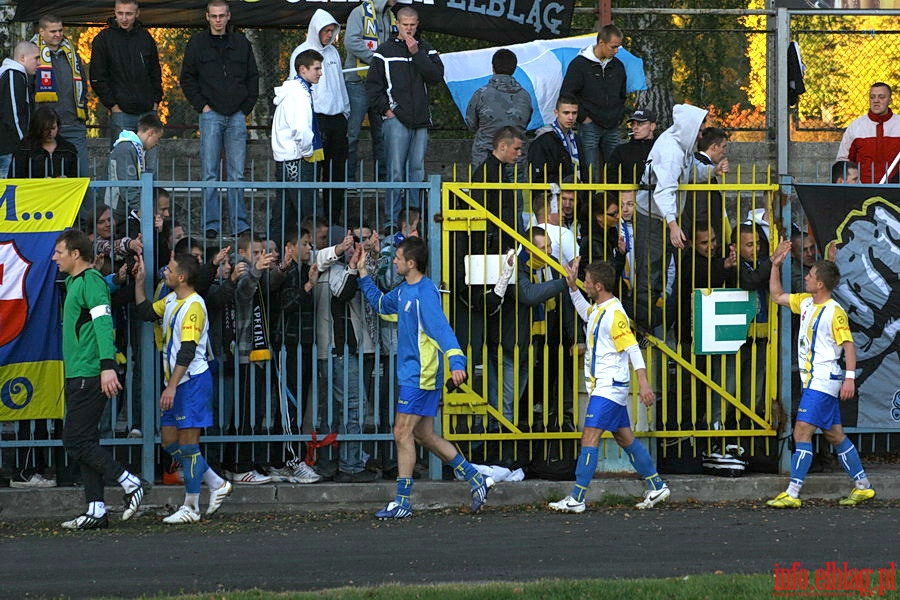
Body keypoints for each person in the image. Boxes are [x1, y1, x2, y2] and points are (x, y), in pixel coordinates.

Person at [356, 236, 494, 518]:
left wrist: (457, 361)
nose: (393, 260)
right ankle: (477, 479)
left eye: (397, 257)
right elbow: (381, 305)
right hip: (414, 374)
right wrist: (362, 274)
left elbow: (442, 329)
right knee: (425, 435)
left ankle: (403, 503)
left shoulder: (425, 293)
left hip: (421, 375)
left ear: (411, 263)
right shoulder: (405, 290)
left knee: (401, 432)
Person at [549, 259, 669, 513]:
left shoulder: (615, 314)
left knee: (589, 438)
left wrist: (644, 383)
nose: (586, 286)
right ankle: (657, 485)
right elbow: (585, 313)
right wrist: (572, 288)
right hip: (606, 386)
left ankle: (577, 498)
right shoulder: (599, 308)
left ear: (600, 286)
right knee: (625, 438)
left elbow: (633, 348)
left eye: (588, 283)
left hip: (608, 387)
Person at [766, 243, 875, 508]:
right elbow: (777, 295)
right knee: (834, 434)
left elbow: (848, 345)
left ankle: (792, 493)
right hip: (814, 380)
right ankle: (863, 486)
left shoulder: (834, 312)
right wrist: (775, 265)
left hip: (824, 380)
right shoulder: (805, 301)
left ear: (821, 284)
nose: (805, 277)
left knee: (801, 432)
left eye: (811, 275)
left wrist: (849, 378)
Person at [52, 229, 145, 530]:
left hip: (91, 373)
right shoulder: (78, 281)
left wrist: (108, 366)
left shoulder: (89, 281)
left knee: (75, 440)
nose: (55, 257)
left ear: (75, 254)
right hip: (79, 372)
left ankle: (130, 482)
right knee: (86, 441)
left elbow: (104, 323)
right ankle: (96, 508)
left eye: (59, 252)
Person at [133, 252, 233, 522]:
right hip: (176, 383)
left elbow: (188, 351)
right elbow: (144, 312)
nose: (164, 270)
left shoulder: (194, 306)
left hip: (191, 382)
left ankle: (191, 507)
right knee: (169, 441)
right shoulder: (170, 300)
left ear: (181, 277)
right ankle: (215, 482)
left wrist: (172, 387)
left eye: (170, 268)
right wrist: (139, 283)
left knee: (189, 447)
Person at [180, 0, 259, 239]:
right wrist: (202, 106)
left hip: (236, 114)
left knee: (237, 173)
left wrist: (245, 108)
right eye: (213, 16)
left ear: (228, 16)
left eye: (221, 16)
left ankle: (240, 225)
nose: (217, 20)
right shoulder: (197, 44)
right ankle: (210, 225)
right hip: (210, 113)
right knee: (210, 172)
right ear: (206, 17)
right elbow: (187, 78)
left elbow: (253, 77)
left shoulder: (241, 43)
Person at [633, 103, 712, 330]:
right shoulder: (671, 151)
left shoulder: (681, 144)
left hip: (662, 216)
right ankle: (644, 328)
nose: (700, 135)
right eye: (698, 130)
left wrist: (712, 171)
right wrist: (673, 224)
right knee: (650, 274)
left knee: (661, 275)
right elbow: (664, 190)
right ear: (690, 128)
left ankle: (654, 324)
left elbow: (691, 170)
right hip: (653, 217)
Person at [366, 6, 444, 225]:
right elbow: (372, 87)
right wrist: (386, 110)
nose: (409, 29)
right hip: (396, 119)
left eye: (412, 25)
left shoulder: (426, 49)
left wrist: (416, 53)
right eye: (405, 25)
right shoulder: (384, 51)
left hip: (420, 120)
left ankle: (414, 220)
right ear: (397, 24)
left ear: (417, 24)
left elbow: (436, 77)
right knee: (395, 171)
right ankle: (392, 221)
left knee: (417, 170)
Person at [289, 9, 350, 220]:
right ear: (316, 30)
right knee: (312, 173)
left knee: (336, 174)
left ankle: (333, 219)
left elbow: (340, 85)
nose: (329, 35)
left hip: (336, 119)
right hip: (315, 120)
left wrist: (345, 112)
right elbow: (295, 88)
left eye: (332, 31)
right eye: (325, 31)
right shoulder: (301, 52)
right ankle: (311, 221)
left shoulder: (333, 53)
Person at [89, 0, 162, 149]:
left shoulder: (146, 38)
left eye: (128, 14)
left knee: (149, 162)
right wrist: (113, 105)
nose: (124, 18)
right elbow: (97, 77)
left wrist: (155, 101)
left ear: (137, 13)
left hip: (148, 110)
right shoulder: (103, 39)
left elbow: (155, 72)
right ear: (114, 12)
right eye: (120, 13)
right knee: (122, 159)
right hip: (121, 111)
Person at [560, 24, 626, 181]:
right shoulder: (579, 65)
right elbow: (567, 94)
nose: (616, 51)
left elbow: (622, 94)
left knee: (615, 170)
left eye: (618, 47)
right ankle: (591, 203)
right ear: (601, 43)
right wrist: (584, 118)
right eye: (613, 47)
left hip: (613, 125)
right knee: (590, 170)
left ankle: (613, 203)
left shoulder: (618, 66)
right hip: (590, 124)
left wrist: (619, 116)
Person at [271, 49, 325, 242]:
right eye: (316, 68)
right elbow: (301, 128)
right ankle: (314, 248)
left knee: (284, 211)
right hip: (297, 160)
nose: (320, 73)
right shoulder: (300, 94)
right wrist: (308, 151)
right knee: (309, 210)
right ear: (303, 69)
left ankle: (277, 249)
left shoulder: (293, 91)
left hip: (286, 159)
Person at [30, 14, 89, 177]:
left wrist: (83, 116)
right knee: (45, 177)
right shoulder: (32, 53)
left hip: (73, 123)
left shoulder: (71, 53)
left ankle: (85, 204)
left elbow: (82, 85)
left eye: (60, 30)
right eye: (53, 31)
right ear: (41, 32)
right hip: (44, 128)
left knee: (82, 177)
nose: (58, 34)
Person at [343, 0, 395, 181]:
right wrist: (377, 61)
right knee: (352, 135)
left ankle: (382, 181)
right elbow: (350, 41)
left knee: (382, 135)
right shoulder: (359, 13)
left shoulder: (390, 16)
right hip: (357, 83)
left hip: (380, 85)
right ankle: (347, 182)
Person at [466, 48, 533, 169]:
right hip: (516, 157)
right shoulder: (525, 96)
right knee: (514, 187)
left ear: (493, 68)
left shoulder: (481, 94)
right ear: (514, 68)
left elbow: (471, 123)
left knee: (483, 187)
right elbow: (526, 122)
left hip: (484, 156)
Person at [470, 125, 525, 253]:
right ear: (503, 146)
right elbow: (481, 209)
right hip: (491, 243)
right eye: (516, 149)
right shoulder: (487, 172)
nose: (519, 153)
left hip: (500, 240)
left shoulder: (497, 170)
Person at [836, 82, 900, 183]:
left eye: (881, 97)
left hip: (895, 189)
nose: (876, 101)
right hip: (862, 189)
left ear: (890, 100)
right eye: (872, 97)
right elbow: (843, 161)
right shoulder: (856, 126)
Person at [105, 112, 163, 223]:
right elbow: (128, 185)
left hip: (123, 209)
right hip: (117, 211)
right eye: (157, 138)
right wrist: (142, 209)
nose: (156, 143)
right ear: (150, 133)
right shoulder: (127, 149)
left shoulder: (134, 148)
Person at [0, 41, 40, 175]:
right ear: (22, 58)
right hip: (7, 148)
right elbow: (13, 112)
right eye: (36, 58)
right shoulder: (13, 75)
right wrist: (23, 143)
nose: (39, 63)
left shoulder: (18, 76)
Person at [682, 126, 729, 240]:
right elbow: (700, 207)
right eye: (723, 147)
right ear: (714, 147)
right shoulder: (701, 169)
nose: (724, 152)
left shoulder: (701, 165)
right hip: (702, 237)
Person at [528, 94, 586, 185]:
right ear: (556, 113)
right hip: (552, 195)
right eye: (566, 113)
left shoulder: (576, 139)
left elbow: (584, 170)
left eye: (574, 113)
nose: (570, 117)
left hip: (575, 194)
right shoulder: (543, 139)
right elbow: (538, 175)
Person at [10, 105, 78, 178]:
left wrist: (67, 180)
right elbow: (15, 180)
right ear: (38, 128)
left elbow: (76, 179)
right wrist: (40, 182)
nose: (50, 133)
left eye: (53, 128)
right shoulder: (24, 149)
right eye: (46, 129)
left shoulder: (68, 149)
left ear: (58, 126)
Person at [605, 108, 656, 185]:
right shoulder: (621, 150)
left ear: (652, 126)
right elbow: (611, 178)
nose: (635, 127)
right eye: (633, 124)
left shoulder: (661, 149)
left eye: (640, 124)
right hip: (627, 196)